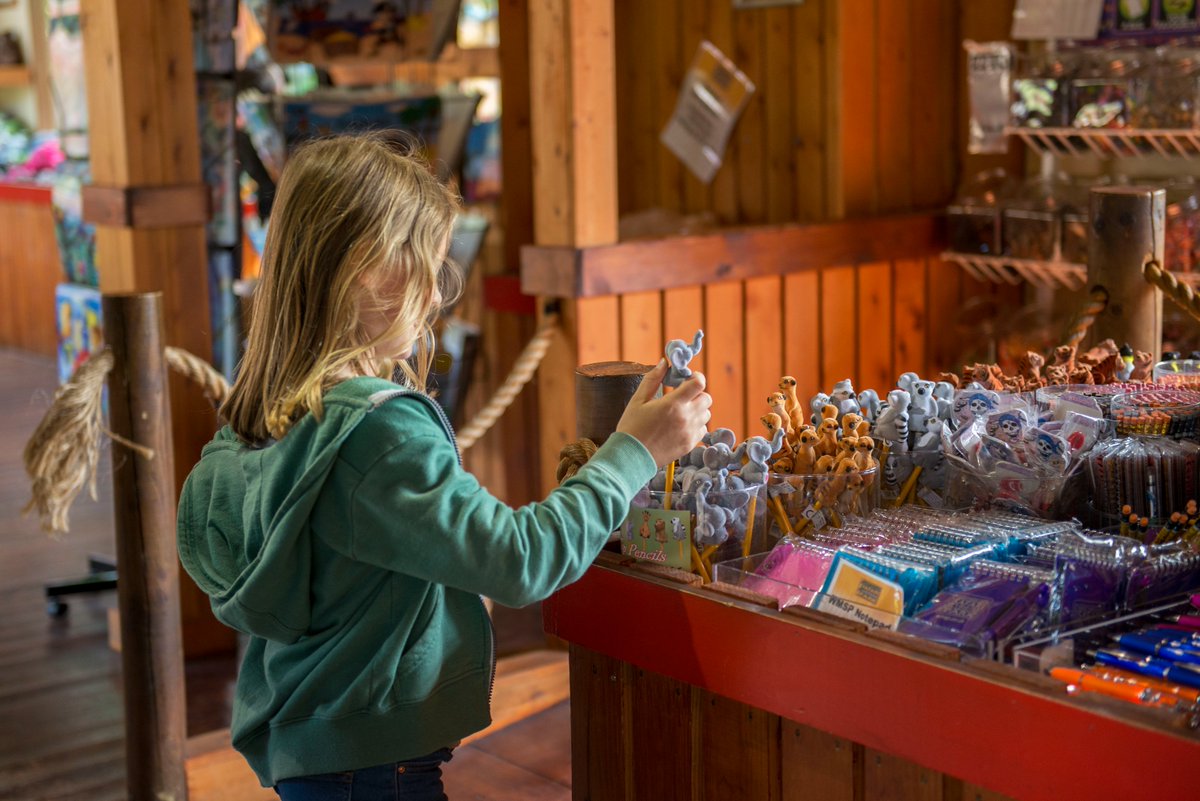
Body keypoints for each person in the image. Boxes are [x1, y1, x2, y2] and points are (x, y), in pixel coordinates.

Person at [176, 132, 711, 801]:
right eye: (424, 267)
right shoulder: (377, 435)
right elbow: (521, 559)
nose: (435, 296)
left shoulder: (261, 417)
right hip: (376, 770)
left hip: (313, 755)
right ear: (365, 265)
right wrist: (636, 448)